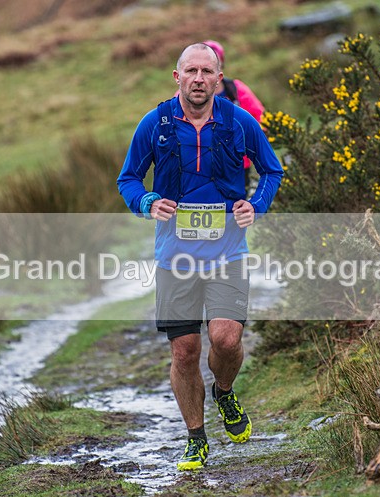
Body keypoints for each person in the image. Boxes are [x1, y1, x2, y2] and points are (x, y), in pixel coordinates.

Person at [117, 42, 283, 471]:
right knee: (185, 351)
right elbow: (129, 178)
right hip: (175, 257)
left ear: (218, 78)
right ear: (177, 77)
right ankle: (196, 437)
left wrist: (255, 205)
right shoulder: (155, 124)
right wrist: (148, 201)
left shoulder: (239, 121)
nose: (198, 79)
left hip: (228, 251)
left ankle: (224, 392)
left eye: (206, 72)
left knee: (227, 340)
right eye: (190, 71)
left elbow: (272, 170)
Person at [177, 40, 266, 193]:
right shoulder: (185, 93)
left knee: (235, 208)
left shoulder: (236, 89)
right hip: (199, 165)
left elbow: (259, 116)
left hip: (237, 164)